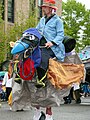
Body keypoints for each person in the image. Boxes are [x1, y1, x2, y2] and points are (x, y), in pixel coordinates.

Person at [34, 0, 65, 120]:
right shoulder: (41, 20)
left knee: (43, 57)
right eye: (43, 7)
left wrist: (52, 42)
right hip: (40, 45)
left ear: (51, 9)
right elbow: (36, 31)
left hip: (53, 47)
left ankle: (41, 78)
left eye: (45, 7)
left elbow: (60, 35)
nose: (43, 9)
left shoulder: (58, 21)